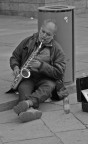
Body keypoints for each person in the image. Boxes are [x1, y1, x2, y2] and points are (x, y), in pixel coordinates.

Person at [9, 19, 69, 123]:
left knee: (49, 87)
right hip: (29, 77)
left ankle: (27, 104)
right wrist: (15, 67)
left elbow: (59, 73)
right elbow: (15, 56)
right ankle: (30, 110)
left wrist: (41, 65)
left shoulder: (57, 49)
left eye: (48, 34)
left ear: (53, 35)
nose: (44, 36)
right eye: (42, 31)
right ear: (40, 29)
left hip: (46, 79)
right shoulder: (28, 41)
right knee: (23, 88)